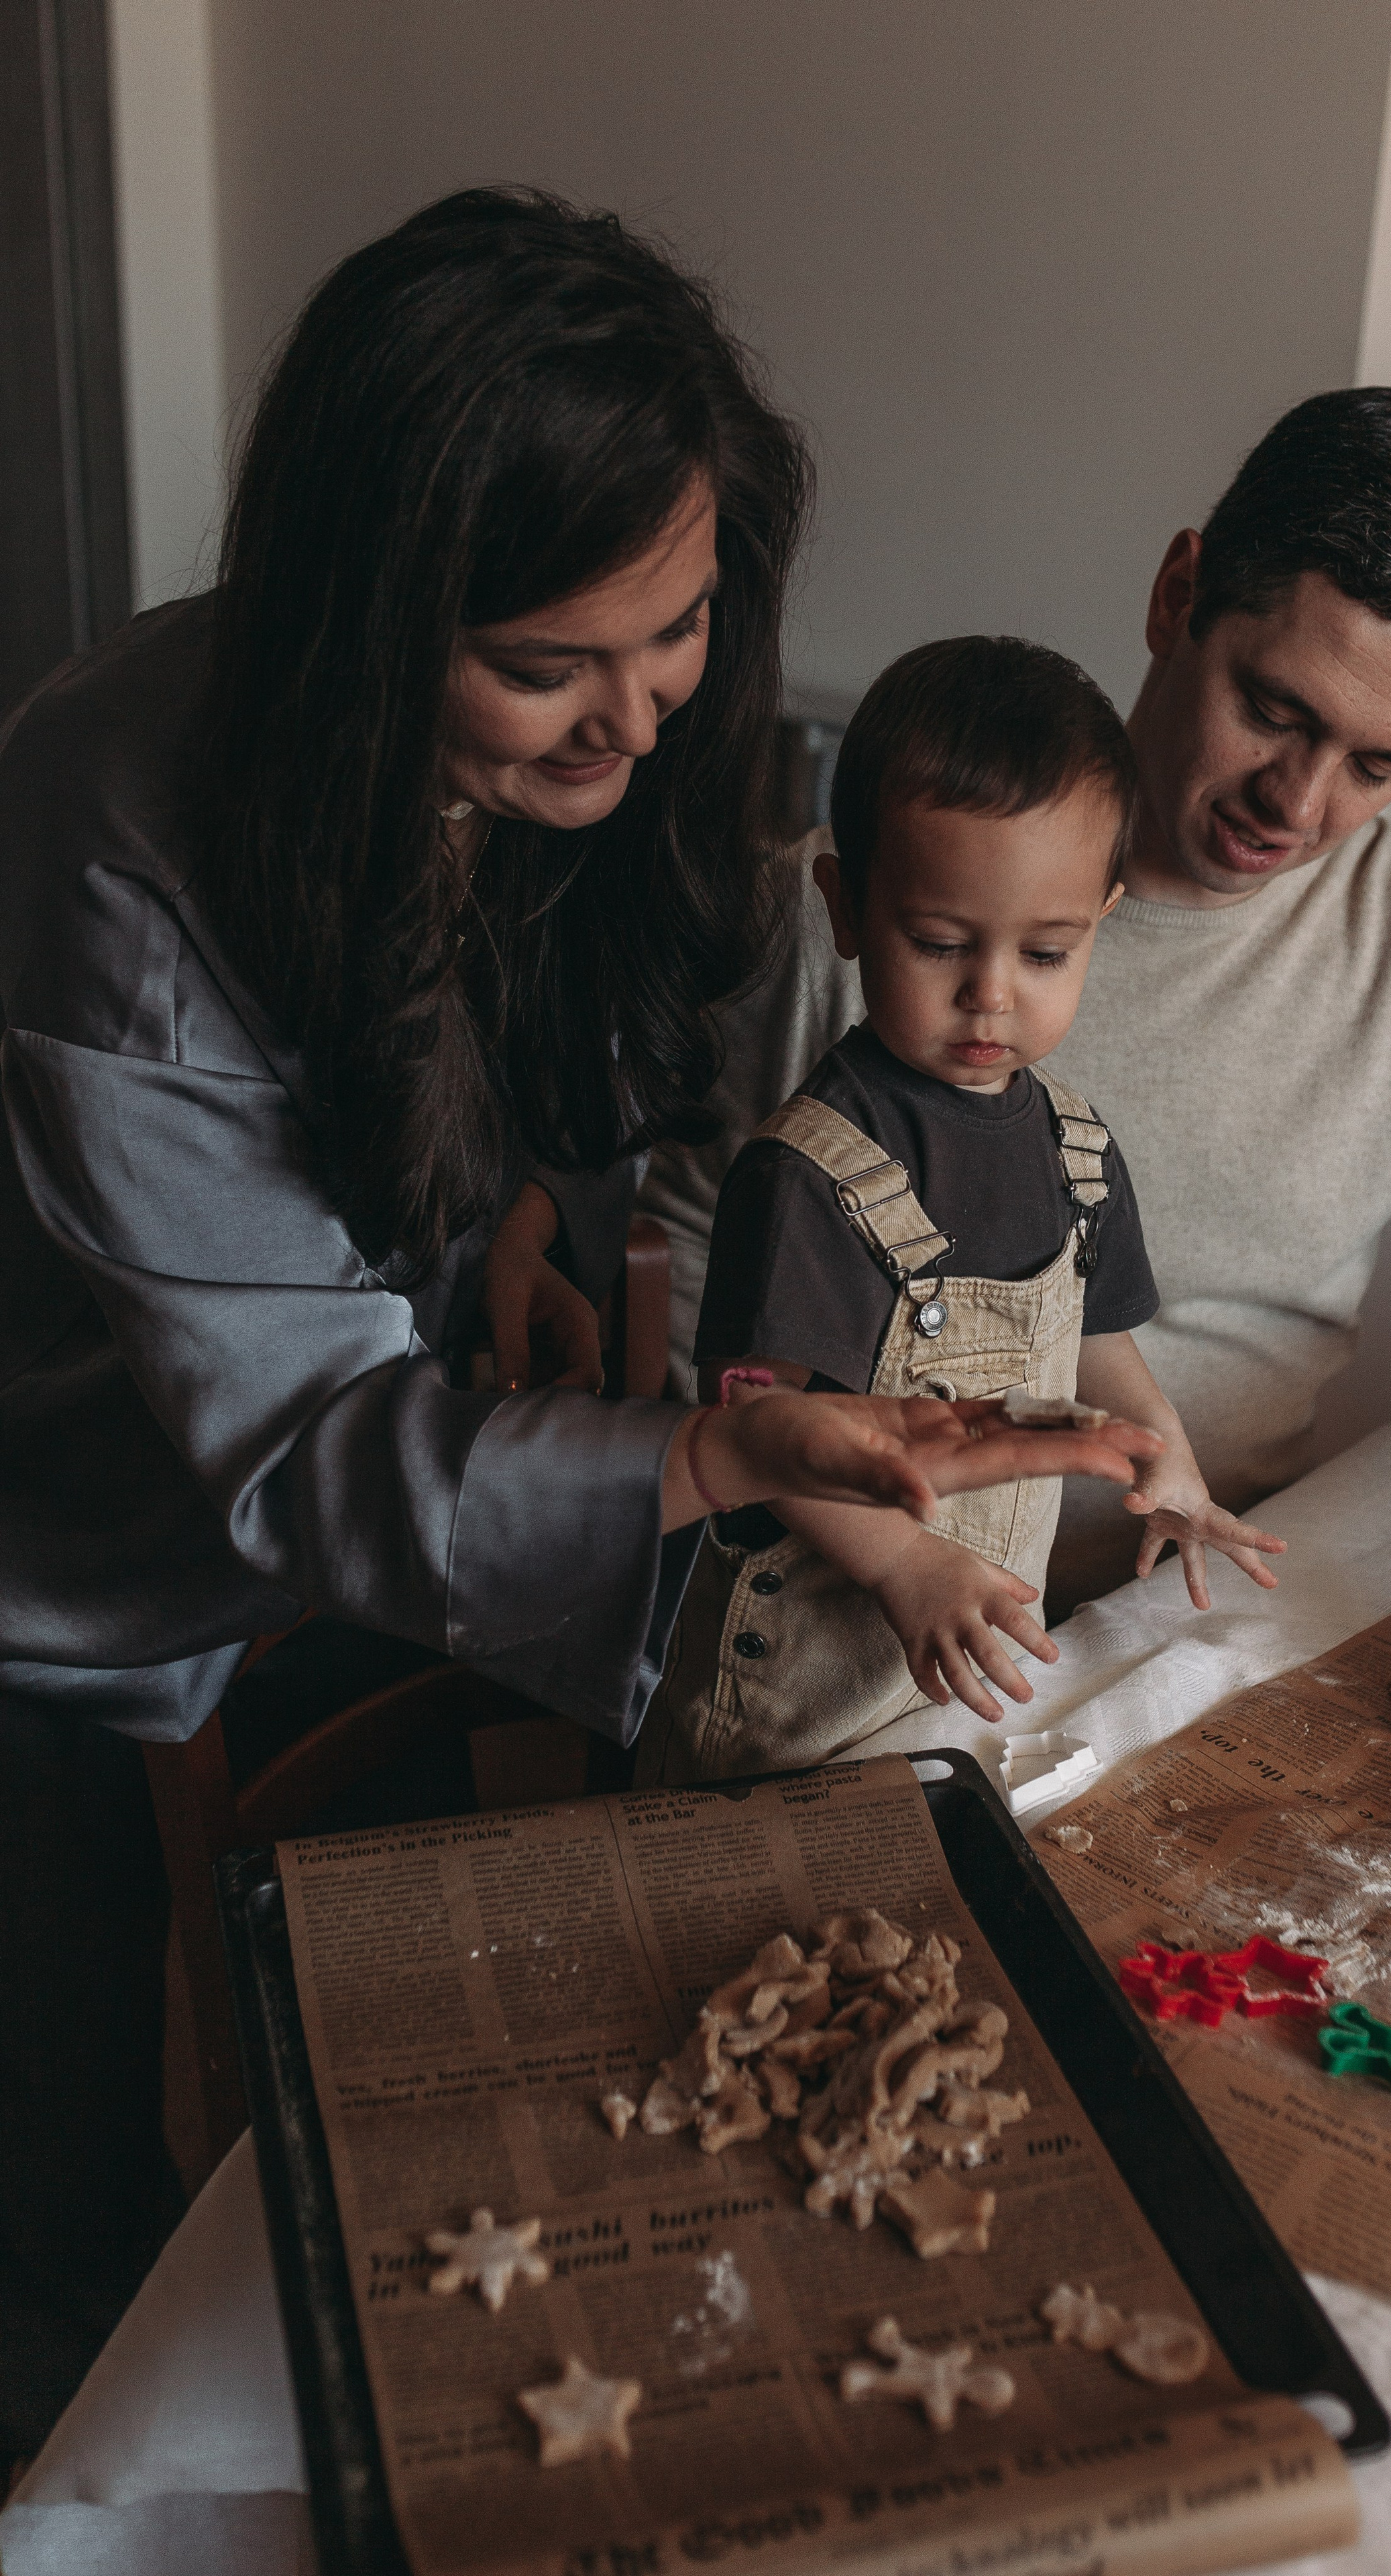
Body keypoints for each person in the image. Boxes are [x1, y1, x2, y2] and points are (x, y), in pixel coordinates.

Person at [0, 189, 1154, 2462]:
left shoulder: (611, 718)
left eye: (687, 626)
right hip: (80, 1564)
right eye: (550, 663)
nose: (638, 714)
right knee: (101, 2252)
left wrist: (543, 1208)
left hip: (406, 1501)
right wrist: (717, 1458)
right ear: (370, 620)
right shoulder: (117, 849)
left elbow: (569, 1053)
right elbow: (314, 1447)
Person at [640, 388, 1391, 1789]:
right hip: (859, 1645)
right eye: (1272, 709)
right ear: (1177, 594)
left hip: (1185, 1637)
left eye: (1378, 766)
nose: (1298, 801)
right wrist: (864, 1558)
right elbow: (674, 1293)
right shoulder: (847, 912)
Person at [637, 639, 1284, 1782]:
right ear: (846, 906)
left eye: (1046, 950)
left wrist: (1167, 1462)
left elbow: (1095, 1341)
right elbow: (757, 1443)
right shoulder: (808, 1176)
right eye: (939, 943)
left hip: (962, 1666)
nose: (991, 993)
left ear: (1103, 920)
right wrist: (908, 1569)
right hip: (796, 1697)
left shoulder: (1076, 1154)